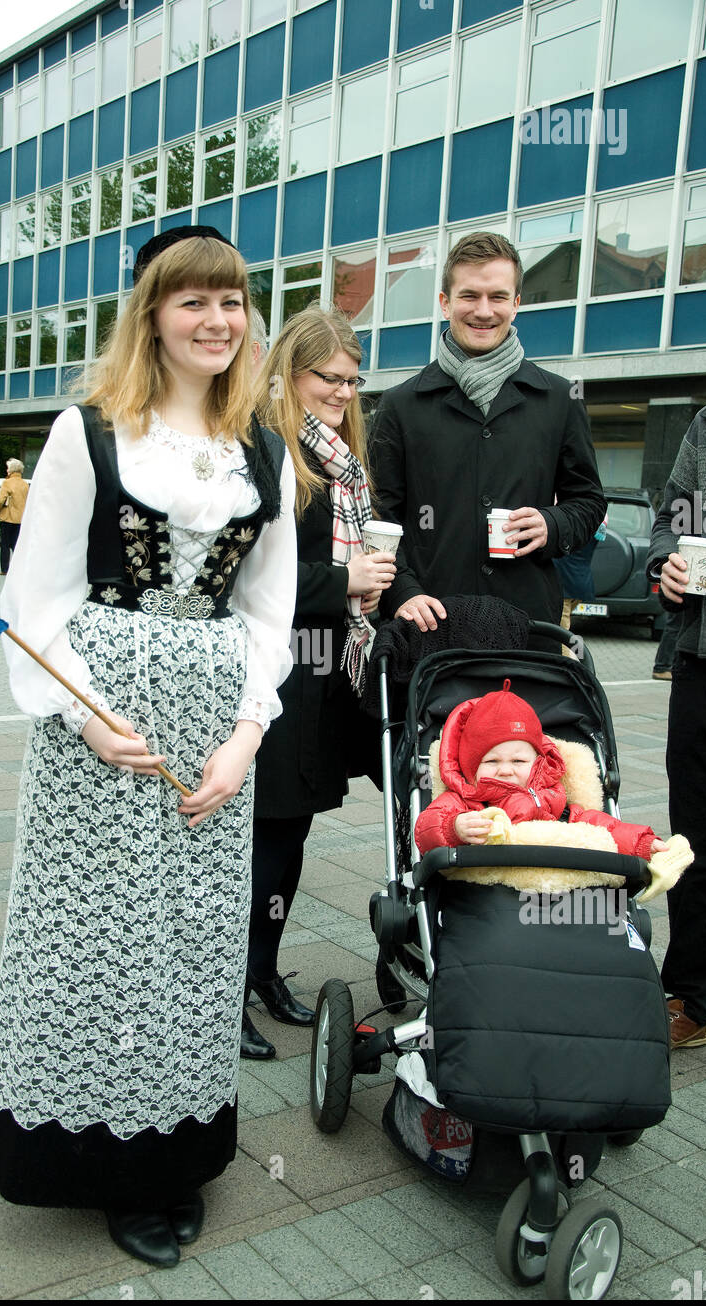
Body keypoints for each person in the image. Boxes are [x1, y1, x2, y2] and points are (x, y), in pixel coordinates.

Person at [0, 226, 297, 1266]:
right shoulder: (90, 430)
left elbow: (267, 608)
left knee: (195, 944)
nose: (216, 321)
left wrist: (247, 735)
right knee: (98, 943)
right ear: (152, 315)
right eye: (192, 302)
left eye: (233, 302)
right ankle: (93, 1161)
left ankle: (171, 1152)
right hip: (100, 723)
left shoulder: (262, 442)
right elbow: (35, 594)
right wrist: (84, 715)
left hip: (212, 720)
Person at [242, 305, 395, 1060]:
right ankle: (224, 992)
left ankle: (263, 972)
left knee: (291, 835)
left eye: (349, 380)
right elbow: (246, 575)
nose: (340, 391)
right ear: (288, 373)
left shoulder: (341, 459)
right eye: (326, 378)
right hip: (272, 676)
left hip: (324, 674)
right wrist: (344, 579)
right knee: (260, 841)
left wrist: (370, 585)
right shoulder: (268, 451)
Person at [370, 232, 605, 631]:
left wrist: (553, 524)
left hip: (527, 627)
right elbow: (380, 518)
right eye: (469, 296)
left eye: (497, 297)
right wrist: (403, 593)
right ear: (445, 302)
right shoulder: (399, 406)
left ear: (516, 304)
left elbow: (587, 501)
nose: (483, 311)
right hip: (431, 626)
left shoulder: (560, 399)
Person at [415, 681, 666, 859]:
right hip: (488, 894)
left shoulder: (552, 799)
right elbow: (427, 826)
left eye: (518, 762)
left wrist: (642, 844)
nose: (505, 771)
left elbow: (599, 826)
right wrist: (455, 828)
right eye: (491, 762)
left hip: (553, 895)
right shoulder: (465, 801)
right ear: (471, 767)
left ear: (536, 762)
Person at [646, 402, 706, 1046]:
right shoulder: (705, 426)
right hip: (701, 658)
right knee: (694, 833)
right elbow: (674, 518)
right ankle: (693, 990)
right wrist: (665, 562)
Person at [0, 458, 29, 575]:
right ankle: (20, 568)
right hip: (20, 518)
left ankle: (4, 569)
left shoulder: (6, 483)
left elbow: (0, 501)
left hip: (7, 517)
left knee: (5, 544)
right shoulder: (25, 485)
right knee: (16, 544)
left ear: (11, 470)